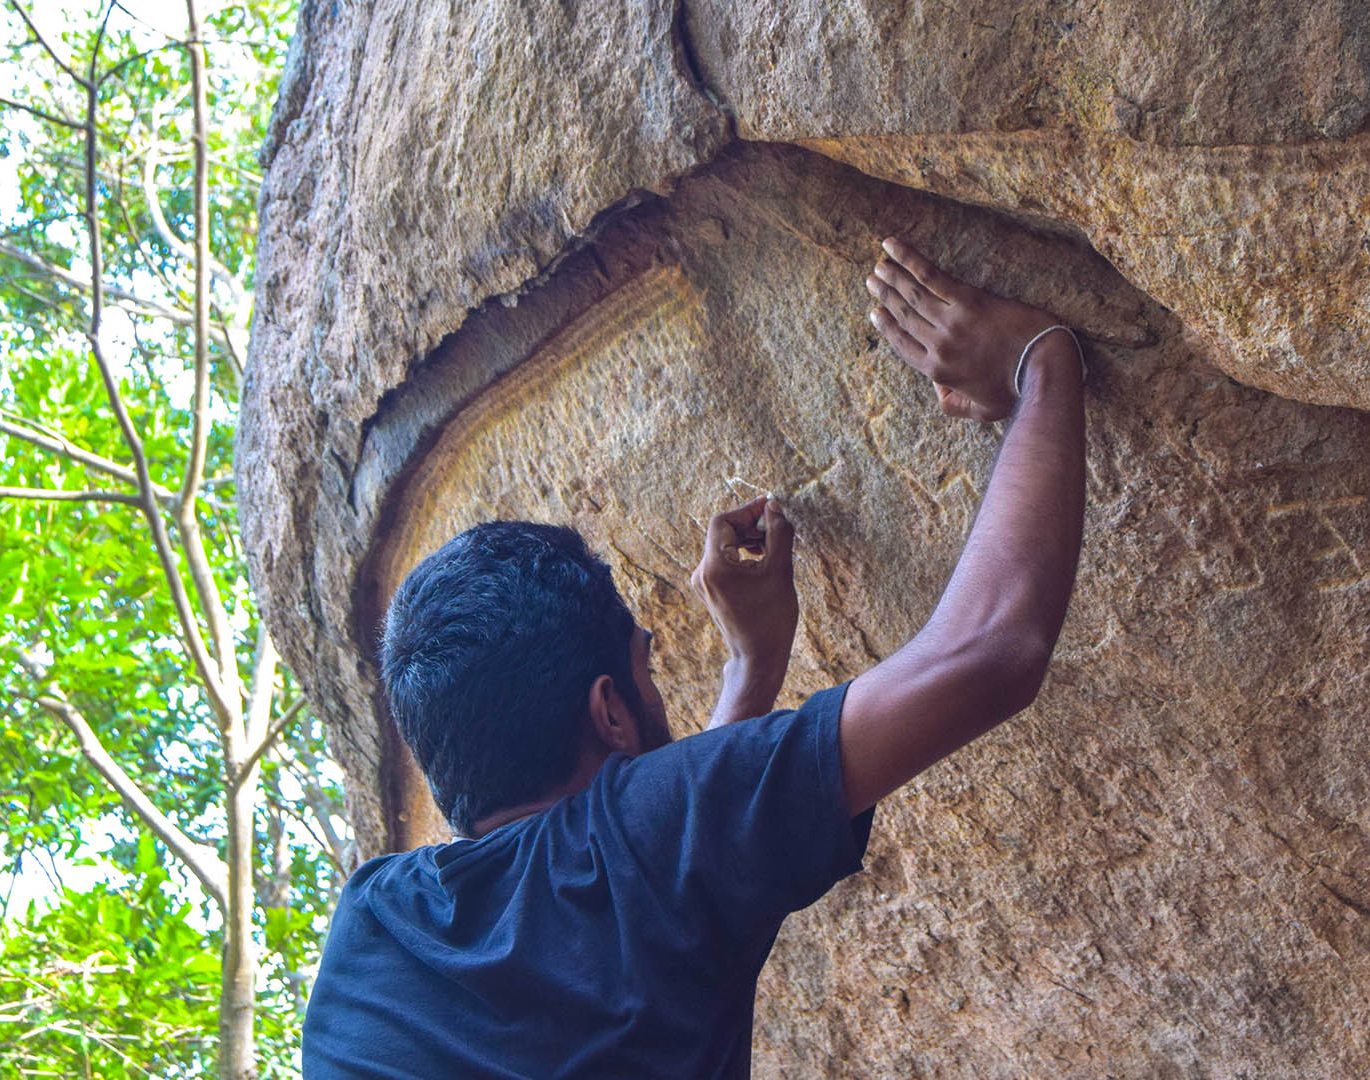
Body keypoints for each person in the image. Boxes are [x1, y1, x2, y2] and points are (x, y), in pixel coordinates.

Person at [301, 237, 1102, 1077]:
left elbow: (641, 869)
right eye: (646, 670)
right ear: (609, 712)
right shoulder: (640, 850)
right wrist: (1040, 365)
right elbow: (991, 649)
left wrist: (746, 676)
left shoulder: (371, 930)